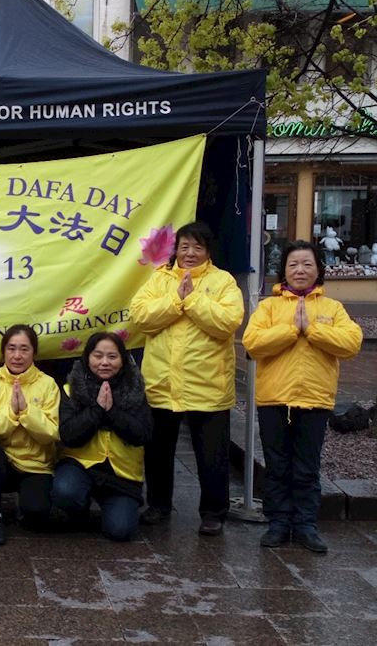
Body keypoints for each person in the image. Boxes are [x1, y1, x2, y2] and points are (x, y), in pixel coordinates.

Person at [243, 240, 362, 553]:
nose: (300, 270)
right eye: (293, 264)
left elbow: (351, 344)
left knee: (307, 467)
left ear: (318, 269)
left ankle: (306, 525)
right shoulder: (268, 307)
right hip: (274, 399)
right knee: (277, 465)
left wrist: (312, 330)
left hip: (315, 399)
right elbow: (252, 343)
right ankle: (278, 523)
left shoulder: (332, 308)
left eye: (307, 264)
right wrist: (290, 330)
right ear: (283, 270)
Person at [129, 221, 244, 535]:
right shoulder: (160, 278)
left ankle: (214, 513)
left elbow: (227, 322)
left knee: (212, 455)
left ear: (208, 251)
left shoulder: (223, 281)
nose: (190, 253)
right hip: (162, 383)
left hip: (208, 385)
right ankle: (159, 505)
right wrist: (175, 301)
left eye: (197, 247)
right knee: (158, 452)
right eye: (184, 246)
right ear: (175, 249)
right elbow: (140, 316)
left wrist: (191, 300)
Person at [52, 332, 153, 542]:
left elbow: (142, 434)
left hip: (122, 475)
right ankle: (79, 509)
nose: (104, 362)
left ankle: (114, 507)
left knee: (120, 531)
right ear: (87, 357)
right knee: (65, 492)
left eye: (112, 357)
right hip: (80, 466)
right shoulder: (71, 389)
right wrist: (97, 410)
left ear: (122, 360)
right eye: (98, 356)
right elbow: (69, 435)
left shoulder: (135, 389)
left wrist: (112, 412)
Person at [0, 325, 60, 545]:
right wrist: (11, 413)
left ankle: (25, 507)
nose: (17, 355)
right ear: (3, 351)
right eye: (11, 348)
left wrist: (27, 412)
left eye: (24, 349)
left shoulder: (48, 384)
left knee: (36, 513)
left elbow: (52, 433)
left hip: (35, 464)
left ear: (34, 353)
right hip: (3, 461)